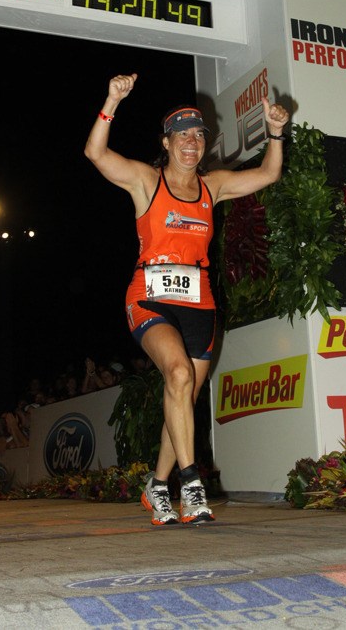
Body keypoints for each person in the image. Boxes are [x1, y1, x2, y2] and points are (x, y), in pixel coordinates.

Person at [84, 73, 289, 525]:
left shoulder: (212, 186)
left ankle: (157, 486)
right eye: (183, 136)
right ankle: (191, 484)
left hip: (200, 304)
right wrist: (112, 100)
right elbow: (95, 153)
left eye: (198, 135)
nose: (192, 143)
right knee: (176, 374)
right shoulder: (145, 180)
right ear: (167, 141)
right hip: (149, 297)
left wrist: (275, 133)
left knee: (182, 393)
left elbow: (270, 173)